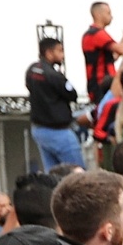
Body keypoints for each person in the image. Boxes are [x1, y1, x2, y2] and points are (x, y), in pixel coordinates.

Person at [26, 38, 81, 171]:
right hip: (58, 131)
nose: (62, 55)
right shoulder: (54, 75)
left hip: (39, 129)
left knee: (54, 174)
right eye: (59, 51)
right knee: (77, 174)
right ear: (49, 53)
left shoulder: (32, 70)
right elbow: (72, 95)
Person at [81, 4, 123, 105]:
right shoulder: (97, 34)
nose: (111, 16)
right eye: (108, 13)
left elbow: (114, 55)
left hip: (100, 84)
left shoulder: (92, 34)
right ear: (98, 14)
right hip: (102, 85)